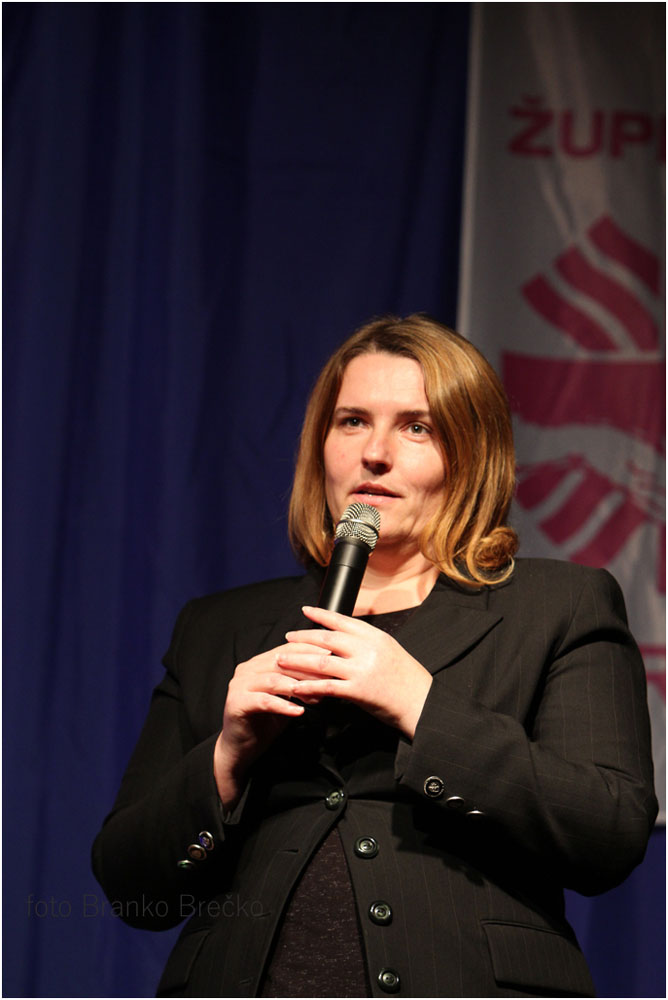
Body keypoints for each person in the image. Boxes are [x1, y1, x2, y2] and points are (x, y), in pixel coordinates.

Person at [92, 314, 657, 998]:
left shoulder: (558, 605)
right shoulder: (219, 627)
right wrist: (226, 758)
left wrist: (422, 706)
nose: (375, 453)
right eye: (352, 421)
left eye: (417, 427)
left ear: (472, 453)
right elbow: (131, 886)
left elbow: (608, 832)